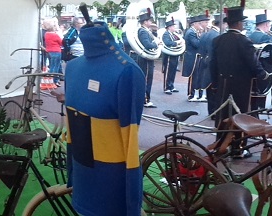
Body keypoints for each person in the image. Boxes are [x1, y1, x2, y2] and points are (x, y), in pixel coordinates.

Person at [64, 20, 145, 216]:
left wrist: (132, 202)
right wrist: (71, 173)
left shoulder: (126, 71)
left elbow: (131, 143)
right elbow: (71, 133)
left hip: (110, 184)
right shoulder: (73, 68)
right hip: (83, 177)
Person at [210, 7, 268, 158]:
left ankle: (221, 144)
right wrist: (264, 75)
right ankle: (238, 148)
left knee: (224, 116)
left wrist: (215, 84)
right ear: (237, 24)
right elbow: (253, 63)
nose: (243, 25)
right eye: (242, 22)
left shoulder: (218, 40)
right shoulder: (244, 41)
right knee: (240, 115)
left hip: (223, 84)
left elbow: (213, 65)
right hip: (240, 86)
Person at [123, 9, 161, 108]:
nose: (151, 22)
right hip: (145, 60)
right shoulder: (143, 32)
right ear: (145, 22)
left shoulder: (146, 31)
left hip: (147, 59)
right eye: (149, 20)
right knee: (146, 79)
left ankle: (145, 98)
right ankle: (145, 99)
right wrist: (156, 43)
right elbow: (148, 45)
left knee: (147, 78)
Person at [202, 15, 223, 113]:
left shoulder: (207, 33)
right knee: (215, 91)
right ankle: (215, 112)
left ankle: (211, 111)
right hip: (214, 65)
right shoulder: (217, 35)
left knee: (209, 91)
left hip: (206, 64)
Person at [184, 15, 208, 101]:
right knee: (192, 76)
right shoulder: (191, 32)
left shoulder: (194, 32)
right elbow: (197, 44)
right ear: (194, 24)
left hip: (196, 56)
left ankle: (196, 94)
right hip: (192, 57)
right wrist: (203, 36)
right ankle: (191, 95)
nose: (200, 25)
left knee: (197, 76)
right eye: (198, 23)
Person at [161, 19, 183, 94]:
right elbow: (167, 43)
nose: (175, 28)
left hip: (174, 55)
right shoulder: (166, 34)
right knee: (168, 71)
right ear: (169, 27)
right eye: (173, 26)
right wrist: (177, 43)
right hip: (168, 56)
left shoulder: (173, 34)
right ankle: (166, 87)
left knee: (173, 71)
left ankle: (171, 86)